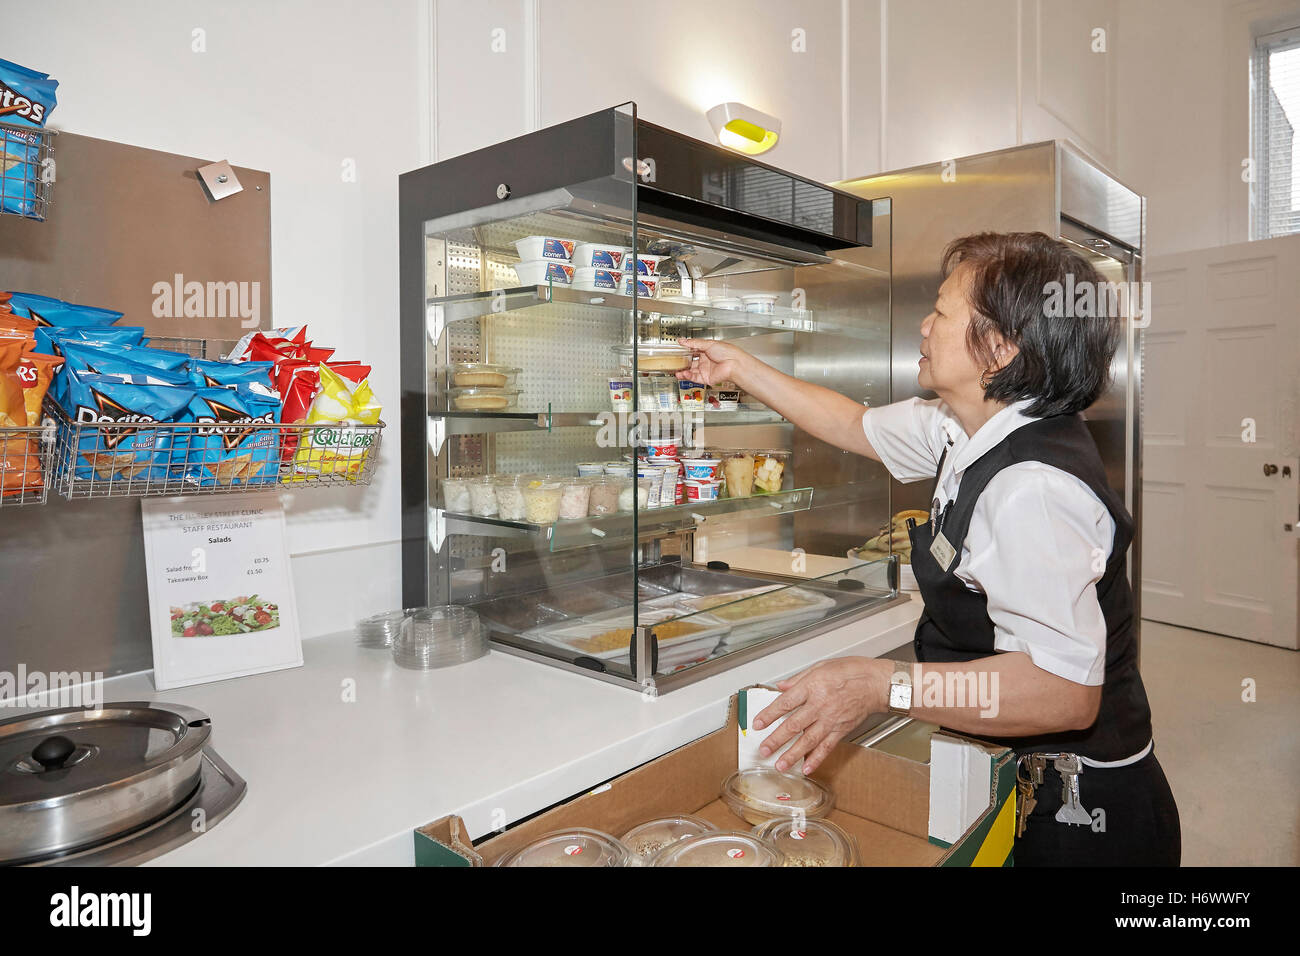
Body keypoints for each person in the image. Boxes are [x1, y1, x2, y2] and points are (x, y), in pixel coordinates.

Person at [677, 231, 1180, 866]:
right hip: (1016, 775)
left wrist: (878, 683)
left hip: (1080, 812)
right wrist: (740, 368)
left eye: (941, 311)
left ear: (997, 348)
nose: (924, 326)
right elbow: (851, 424)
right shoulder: (964, 426)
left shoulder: (1033, 488)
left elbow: (1063, 692)